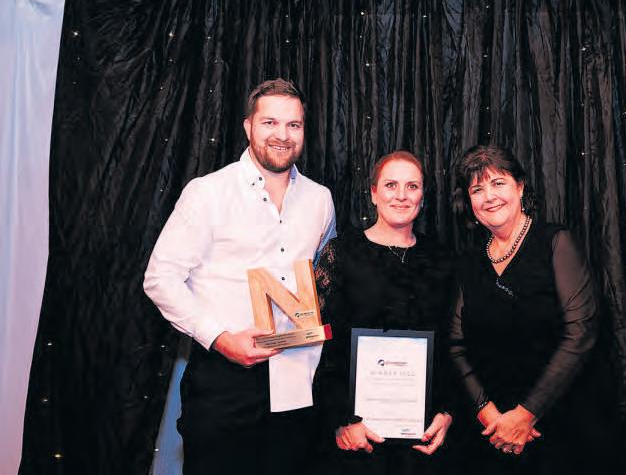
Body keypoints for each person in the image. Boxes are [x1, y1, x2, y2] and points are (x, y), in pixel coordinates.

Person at [143, 78, 336, 475]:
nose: (282, 135)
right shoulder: (208, 192)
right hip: (223, 383)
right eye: (270, 123)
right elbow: (160, 278)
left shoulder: (320, 199)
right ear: (248, 126)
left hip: (297, 384)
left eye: (294, 125)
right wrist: (220, 338)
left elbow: (323, 278)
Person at [449, 144, 614, 474]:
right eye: (477, 190)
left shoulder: (556, 242)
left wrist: (526, 414)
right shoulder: (468, 262)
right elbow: (454, 344)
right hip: (490, 432)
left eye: (499, 183)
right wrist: (487, 413)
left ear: (520, 187)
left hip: (559, 424)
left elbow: (580, 332)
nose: (489, 197)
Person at [313, 151, 455, 475]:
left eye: (412, 186)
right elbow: (322, 347)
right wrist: (340, 421)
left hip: (424, 437)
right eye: (391, 185)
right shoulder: (342, 253)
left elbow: (452, 345)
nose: (401, 195)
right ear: (374, 193)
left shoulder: (443, 259)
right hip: (355, 437)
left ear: (422, 197)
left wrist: (447, 413)